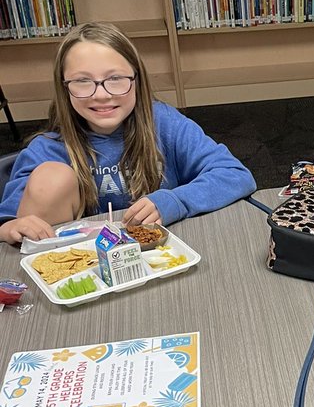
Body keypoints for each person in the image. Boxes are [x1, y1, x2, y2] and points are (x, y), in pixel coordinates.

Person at [0, 22, 256, 244]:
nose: (101, 94)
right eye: (82, 81)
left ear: (137, 79)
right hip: (90, 268)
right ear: (64, 88)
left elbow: (235, 175)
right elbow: (9, 222)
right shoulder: (47, 149)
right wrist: (10, 228)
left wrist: (174, 201)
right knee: (50, 177)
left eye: (115, 79)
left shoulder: (164, 123)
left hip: (167, 251)